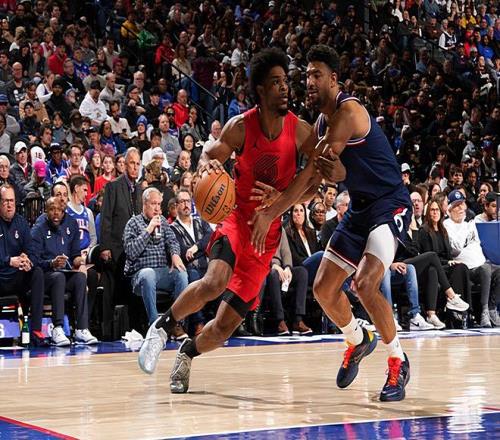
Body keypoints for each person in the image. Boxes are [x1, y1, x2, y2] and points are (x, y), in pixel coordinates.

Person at [138, 48, 324, 393]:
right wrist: (206, 165)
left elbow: (314, 185)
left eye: (286, 81)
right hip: (237, 221)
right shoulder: (241, 127)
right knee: (214, 281)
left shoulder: (300, 131)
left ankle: (188, 351)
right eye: (276, 82)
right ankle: (161, 328)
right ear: (260, 90)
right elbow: (208, 155)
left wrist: (285, 198)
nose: (285, 87)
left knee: (224, 328)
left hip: (267, 238)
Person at [250, 45, 412, 401]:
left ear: (333, 79)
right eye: (307, 74)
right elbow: (312, 183)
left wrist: (274, 209)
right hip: (359, 209)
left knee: (365, 283)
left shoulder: (348, 112)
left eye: (316, 74)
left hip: (389, 205)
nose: (309, 81)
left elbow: (310, 171)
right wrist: (282, 196)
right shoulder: (322, 124)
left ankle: (398, 361)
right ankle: (358, 337)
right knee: (323, 288)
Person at [31, 197, 97, 345]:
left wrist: (81, 261)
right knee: (58, 277)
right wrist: (51, 263)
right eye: (52, 210)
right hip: (44, 276)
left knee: (80, 278)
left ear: (63, 212)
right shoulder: (38, 230)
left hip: (64, 272)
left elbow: (74, 255)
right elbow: (34, 261)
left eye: (59, 210)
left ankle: (81, 328)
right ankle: (58, 328)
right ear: (46, 211)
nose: (56, 213)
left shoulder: (70, 225)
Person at [123, 187, 188, 330]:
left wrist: (175, 254)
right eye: (153, 204)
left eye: (159, 204)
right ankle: (155, 326)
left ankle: (176, 323)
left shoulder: (162, 221)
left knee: (182, 274)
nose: (157, 208)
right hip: (140, 274)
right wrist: (148, 230)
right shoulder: (133, 223)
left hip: (162, 272)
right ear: (144, 204)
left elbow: (172, 241)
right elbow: (130, 252)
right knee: (148, 274)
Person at [0, 184, 45, 344]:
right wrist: (9, 261)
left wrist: (28, 261)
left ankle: (36, 330)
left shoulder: (21, 223)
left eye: (11, 201)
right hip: (1, 277)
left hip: (16, 277)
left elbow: (32, 250)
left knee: (37, 272)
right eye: (5, 201)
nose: (9, 205)